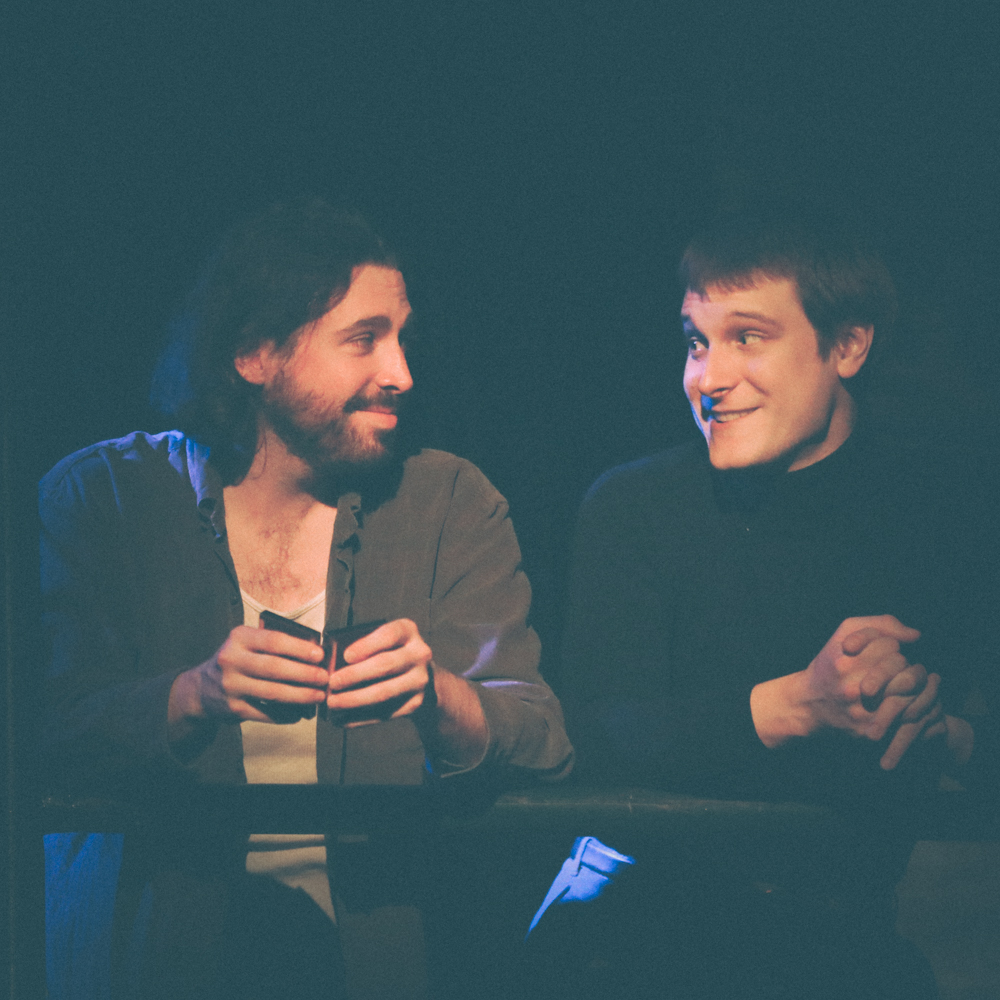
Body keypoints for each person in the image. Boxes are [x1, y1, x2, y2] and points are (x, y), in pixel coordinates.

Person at [40, 198, 573, 1000]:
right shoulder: (100, 498)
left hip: (380, 962)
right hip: (162, 961)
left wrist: (437, 697)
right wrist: (189, 698)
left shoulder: (447, 502)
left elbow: (542, 738)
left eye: (402, 338)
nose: (401, 373)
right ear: (255, 353)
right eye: (364, 339)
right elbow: (45, 725)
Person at [556, 212, 988, 999]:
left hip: (848, 946)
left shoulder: (938, 511)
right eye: (697, 342)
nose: (708, 377)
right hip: (639, 947)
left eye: (747, 337)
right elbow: (585, 737)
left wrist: (940, 732)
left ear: (848, 346)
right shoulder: (635, 507)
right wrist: (798, 706)